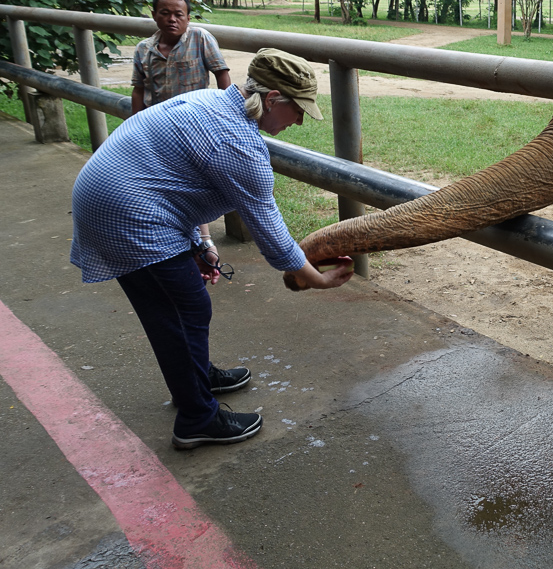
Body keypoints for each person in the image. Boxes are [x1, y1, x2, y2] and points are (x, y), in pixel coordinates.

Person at [71, 48, 353, 449]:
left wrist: (200, 243)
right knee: (182, 311)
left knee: (178, 306)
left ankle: (196, 379)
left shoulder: (213, 101)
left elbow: (176, 182)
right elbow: (271, 233)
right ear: (272, 99)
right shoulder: (237, 141)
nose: (301, 120)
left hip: (118, 202)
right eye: (299, 109)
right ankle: (197, 419)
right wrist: (317, 281)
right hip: (127, 217)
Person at [131, 0, 233, 245]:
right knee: (163, 178)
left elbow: (222, 75)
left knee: (192, 179)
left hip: (194, 123)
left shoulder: (200, 38)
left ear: (188, 17)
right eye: (165, 13)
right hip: (157, 125)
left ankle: (204, 238)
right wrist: (135, 123)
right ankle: (173, 230)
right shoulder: (144, 49)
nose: (172, 19)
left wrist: (230, 113)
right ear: (154, 15)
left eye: (179, 14)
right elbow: (139, 89)